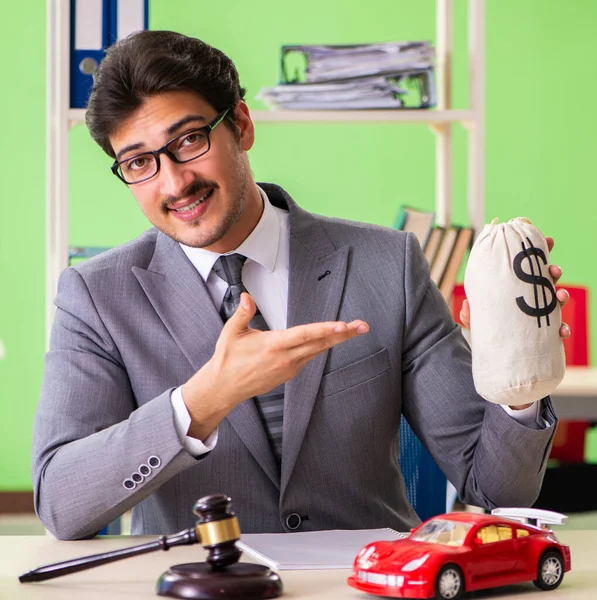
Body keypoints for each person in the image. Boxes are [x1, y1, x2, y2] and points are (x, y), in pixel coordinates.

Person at [32, 30, 570, 540]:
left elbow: (496, 490)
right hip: (200, 585)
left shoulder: (387, 264)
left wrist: (516, 380)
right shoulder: (96, 297)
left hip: (365, 583)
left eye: (190, 140)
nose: (174, 182)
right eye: (140, 162)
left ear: (240, 124)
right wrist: (203, 401)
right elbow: (61, 503)